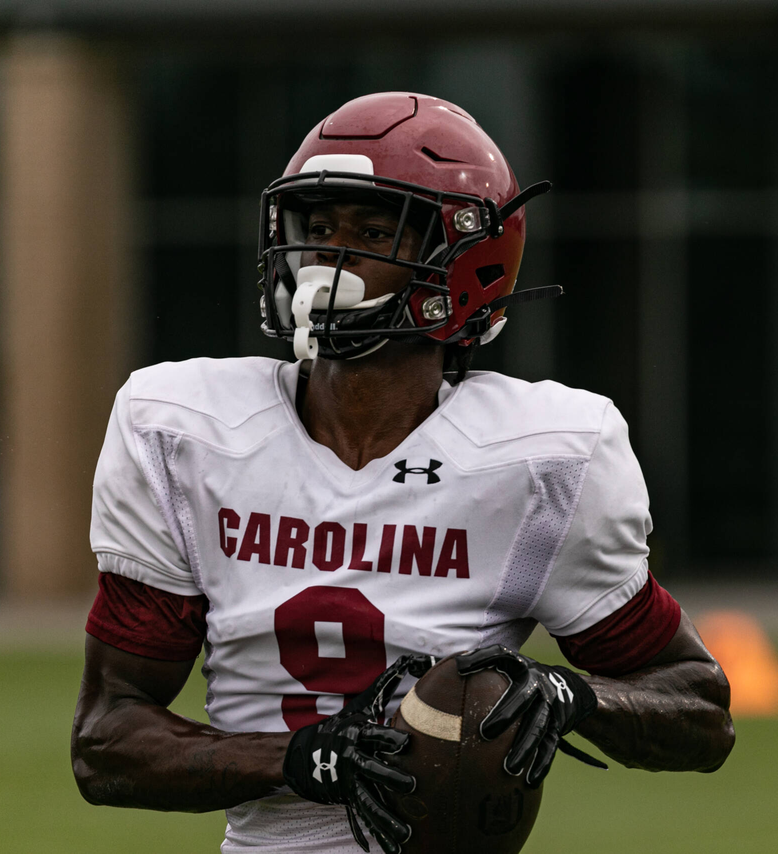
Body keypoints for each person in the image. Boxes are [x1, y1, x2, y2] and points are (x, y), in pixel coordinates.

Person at [71, 92, 734, 854]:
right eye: (318, 229)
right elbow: (106, 737)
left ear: (464, 259)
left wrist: (569, 697)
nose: (331, 257)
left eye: (375, 231)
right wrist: (304, 758)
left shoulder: (539, 458)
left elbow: (700, 711)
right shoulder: (187, 429)